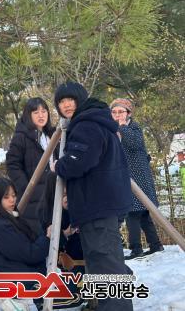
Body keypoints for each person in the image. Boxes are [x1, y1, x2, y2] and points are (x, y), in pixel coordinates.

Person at [54, 82, 133, 311]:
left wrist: (58, 166)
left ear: (80, 100)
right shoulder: (97, 121)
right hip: (103, 204)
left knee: (106, 268)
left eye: (70, 99)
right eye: (61, 101)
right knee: (103, 266)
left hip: (98, 207)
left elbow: (79, 162)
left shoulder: (86, 125)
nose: (66, 105)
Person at [0, 177, 49, 311]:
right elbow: (31, 254)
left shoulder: (6, 216)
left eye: (13, 195)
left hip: (15, 273)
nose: (12, 200)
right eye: (6, 197)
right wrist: (47, 238)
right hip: (13, 280)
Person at [110, 98, 163, 259]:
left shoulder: (133, 127)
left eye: (121, 111)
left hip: (138, 176)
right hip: (125, 176)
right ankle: (155, 244)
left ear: (128, 113)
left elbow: (134, 143)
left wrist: (123, 127)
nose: (117, 115)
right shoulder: (112, 129)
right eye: (114, 112)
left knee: (133, 212)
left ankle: (136, 248)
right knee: (142, 212)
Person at [6, 97, 57, 234]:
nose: (41, 115)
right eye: (36, 112)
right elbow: (12, 164)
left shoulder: (53, 135)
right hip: (32, 200)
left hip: (54, 195)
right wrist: (27, 188)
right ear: (28, 115)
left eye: (44, 111)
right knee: (37, 236)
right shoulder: (21, 137)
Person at [40, 173, 85, 310]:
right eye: (63, 193)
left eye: (68, 191)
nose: (67, 196)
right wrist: (65, 233)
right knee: (74, 297)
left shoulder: (77, 207)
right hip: (62, 266)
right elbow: (49, 246)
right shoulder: (46, 212)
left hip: (82, 261)